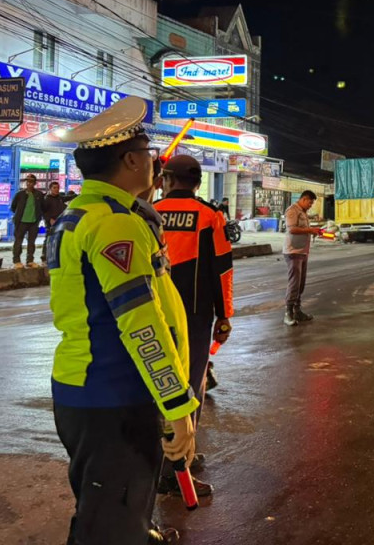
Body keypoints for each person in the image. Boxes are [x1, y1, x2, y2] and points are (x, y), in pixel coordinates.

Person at [47, 97, 197, 545]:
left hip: (88, 391)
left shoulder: (83, 214)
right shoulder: (115, 224)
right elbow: (141, 324)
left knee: (106, 516)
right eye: (148, 155)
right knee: (111, 529)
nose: (154, 164)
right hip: (114, 394)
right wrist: (177, 405)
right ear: (131, 159)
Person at [155, 155, 233, 497]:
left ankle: (163, 458)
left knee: (157, 384)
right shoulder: (209, 215)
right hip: (195, 315)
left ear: (168, 179)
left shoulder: (147, 211)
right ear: (198, 182)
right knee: (190, 387)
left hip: (153, 312)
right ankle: (177, 466)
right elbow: (222, 269)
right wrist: (224, 315)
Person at [283, 190, 324, 327]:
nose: (311, 205)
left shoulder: (303, 212)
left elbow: (302, 229)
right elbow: (292, 229)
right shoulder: (292, 210)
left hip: (303, 251)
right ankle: (288, 313)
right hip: (293, 251)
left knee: (300, 283)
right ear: (304, 199)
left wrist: (313, 231)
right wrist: (310, 230)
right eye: (310, 202)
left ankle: (297, 311)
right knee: (294, 283)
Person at [11, 174, 44, 268]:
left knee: (31, 242)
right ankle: (16, 261)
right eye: (27, 182)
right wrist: (19, 216)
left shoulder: (39, 194)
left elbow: (42, 207)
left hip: (33, 222)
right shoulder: (19, 194)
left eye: (31, 182)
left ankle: (30, 260)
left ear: (34, 183)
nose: (29, 183)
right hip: (21, 222)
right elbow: (13, 207)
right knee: (18, 241)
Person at [41, 181, 67, 265]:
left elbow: (69, 197)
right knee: (49, 239)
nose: (56, 190)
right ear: (50, 189)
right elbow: (43, 211)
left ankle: (57, 256)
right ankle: (44, 256)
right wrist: (49, 219)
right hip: (51, 223)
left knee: (59, 239)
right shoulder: (47, 199)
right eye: (54, 188)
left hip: (60, 222)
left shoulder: (60, 198)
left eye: (57, 188)